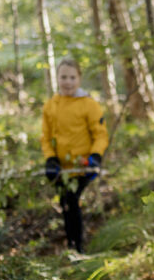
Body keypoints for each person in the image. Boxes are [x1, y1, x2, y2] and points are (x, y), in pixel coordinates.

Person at [41, 57, 109, 254]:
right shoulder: (50, 106)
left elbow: (100, 135)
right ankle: (71, 243)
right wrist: (50, 159)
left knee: (71, 200)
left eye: (72, 77)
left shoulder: (89, 105)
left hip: (83, 166)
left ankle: (77, 248)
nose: (67, 82)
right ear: (57, 78)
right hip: (60, 169)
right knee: (65, 204)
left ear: (79, 78)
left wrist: (95, 156)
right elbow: (45, 137)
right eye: (63, 77)